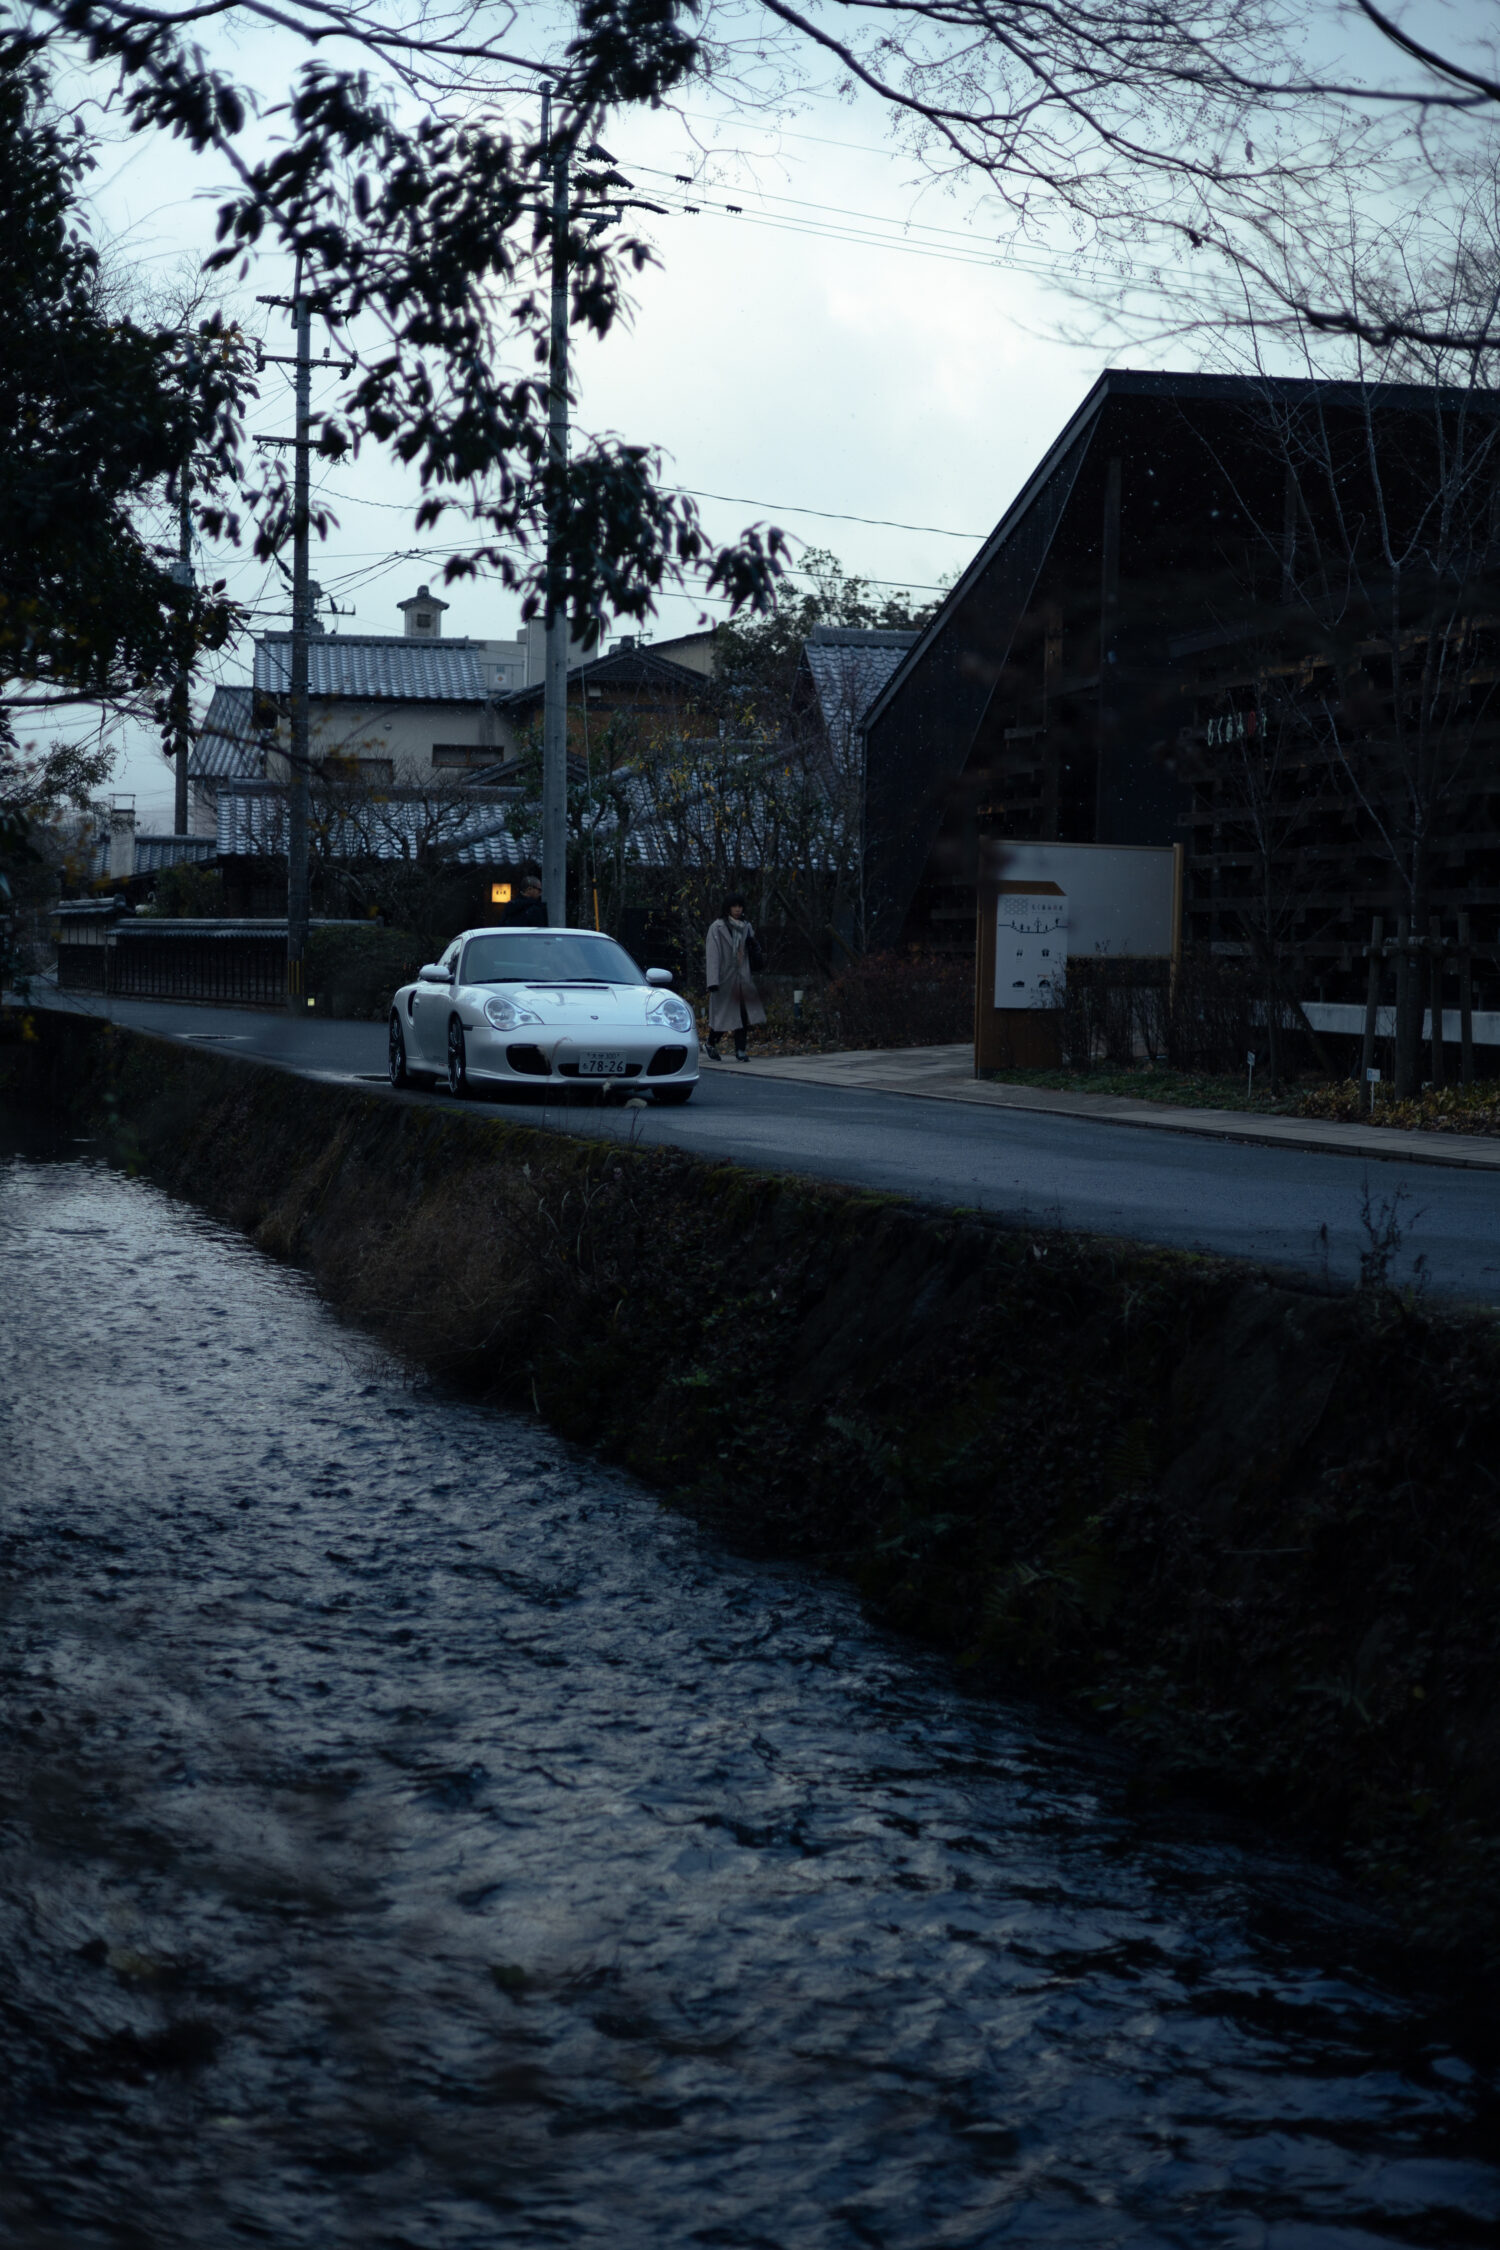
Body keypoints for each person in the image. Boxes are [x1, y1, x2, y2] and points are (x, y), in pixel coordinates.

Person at [704, 895, 765, 1062]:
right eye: (734, 906)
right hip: (724, 979)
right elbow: (713, 956)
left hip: (742, 977)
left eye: (740, 906)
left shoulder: (746, 927)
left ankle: (740, 1049)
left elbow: (751, 951)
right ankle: (710, 1042)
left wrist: (754, 947)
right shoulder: (717, 928)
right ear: (728, 908)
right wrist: (713, 981)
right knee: (724, 1016)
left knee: (743, 1014)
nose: (738, 909)